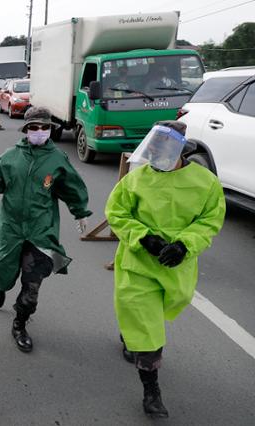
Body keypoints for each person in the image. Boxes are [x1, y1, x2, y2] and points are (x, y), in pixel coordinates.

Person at [105, 120, 225, 418]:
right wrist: (143, 237)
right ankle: (151, 391)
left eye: (163, 149)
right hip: (138, 265)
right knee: (148, 331)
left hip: (176, 268)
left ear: (180, 151)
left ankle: (131, 334)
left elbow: (210, 221)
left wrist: (185, 245)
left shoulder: (206, 183)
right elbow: (116, 211)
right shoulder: (137, 179)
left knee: (155, 317)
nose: (156, 155)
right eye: (153, 148)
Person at [0, 107, 91, 353]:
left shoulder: (58, 159)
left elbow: (72, 187)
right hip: (11, 228)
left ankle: (20, 324)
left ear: (50, 129)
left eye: (44, 127)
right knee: (4, 272)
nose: (39, 132)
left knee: (32, 286)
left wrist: (80, 211)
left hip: (41, 230)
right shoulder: (9, 157)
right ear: (26, 130)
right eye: (34, 128)